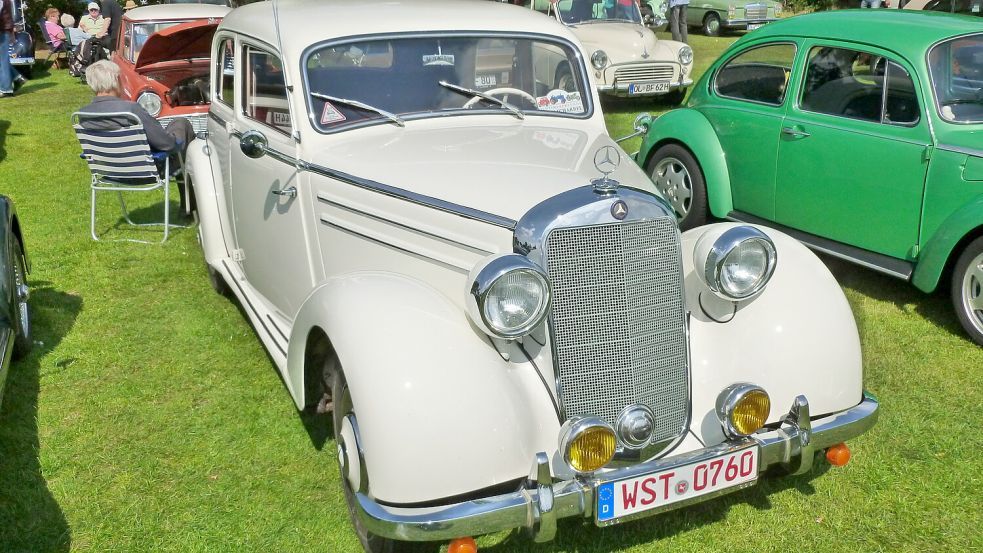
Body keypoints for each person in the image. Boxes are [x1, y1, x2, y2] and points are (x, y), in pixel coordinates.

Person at [78, 60, 196, 212]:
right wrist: (176, 138)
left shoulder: (83, 114)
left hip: (109, 171)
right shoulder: (129, 110)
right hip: (147, 171)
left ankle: (189, 204)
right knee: (181, 124)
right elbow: (166, 144)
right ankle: (190, 205)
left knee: (176, 128)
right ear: (116, 80)